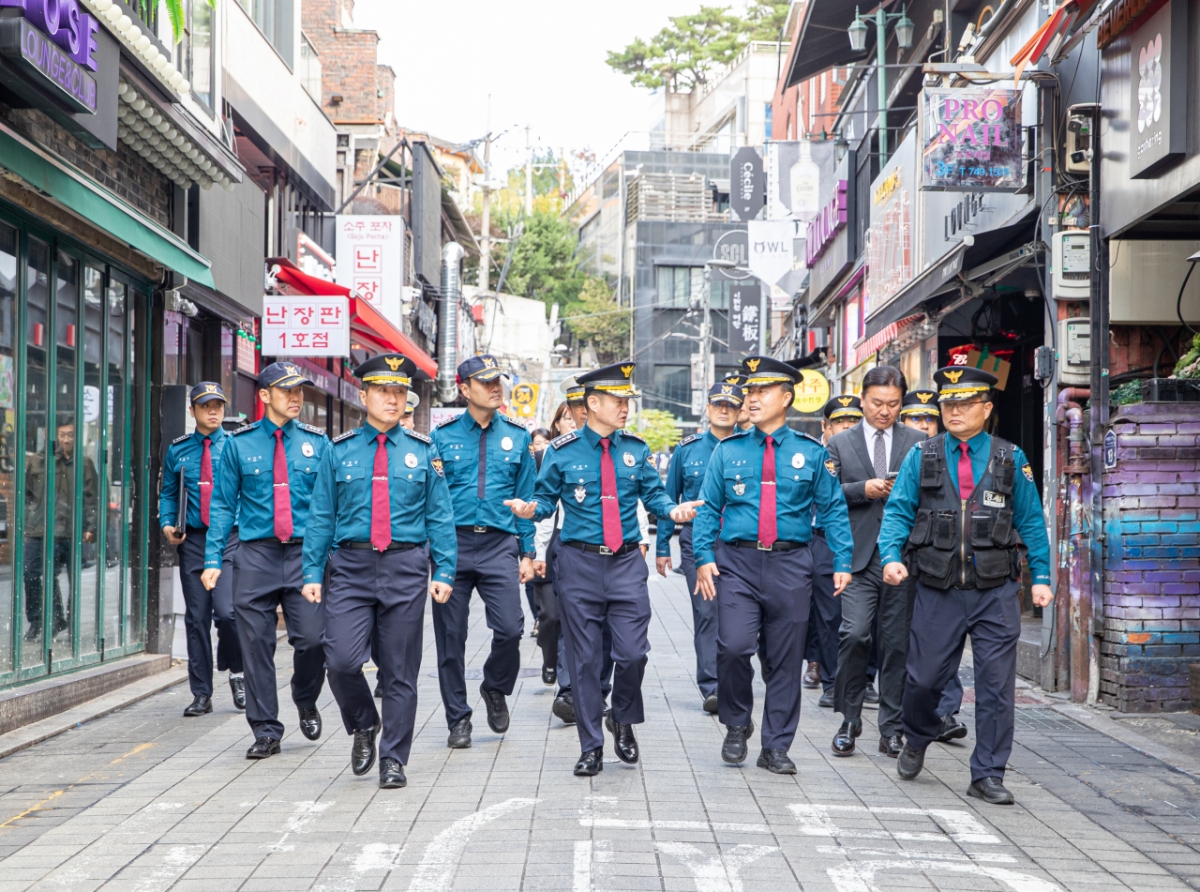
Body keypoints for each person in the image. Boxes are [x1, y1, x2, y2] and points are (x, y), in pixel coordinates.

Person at [880, 366, 1053, 805]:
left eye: (965, 403)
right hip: (938, 589)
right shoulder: (922, 455)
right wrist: (890, 557)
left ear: (987, 408)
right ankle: (917, 736)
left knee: (996, 686)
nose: (954, 410)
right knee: (923, 682)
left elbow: (1032, 521)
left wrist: (1042, 578)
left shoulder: (1011, 458)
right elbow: (898, 512)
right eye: (948, 403)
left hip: (995, 590)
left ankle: (988, 774)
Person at [507, 362, 684, 776]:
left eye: (627, 401)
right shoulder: (562, 450)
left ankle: (621, 716)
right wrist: (531, 510)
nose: (625, 408)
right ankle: (591, 746)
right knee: (584, 660)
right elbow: (546, 500)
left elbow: (655, 497)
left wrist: (674, 510)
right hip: (579, 563)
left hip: (625, 563)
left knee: (633, 653)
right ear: (593, 403)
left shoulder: (636, 450)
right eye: (618, 401)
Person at [691, 356, 853, 775]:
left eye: (762, 391)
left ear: (786, 397)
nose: (752, 398)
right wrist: (704, 558)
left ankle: (776, 746)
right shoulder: (729, 451)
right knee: (732, 647)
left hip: (791, 564)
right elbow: (709, 508)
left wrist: (842, 559)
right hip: (737, 562)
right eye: (750, 391)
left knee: (786, 658)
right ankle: (736, 721)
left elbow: (833, 508)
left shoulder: (811, 453)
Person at [301, 353, 456, 789]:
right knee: (341, 661)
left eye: (400, 392)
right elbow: (320, 515)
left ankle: (394, 760)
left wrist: (444, 570)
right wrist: (312, 571)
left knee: (399, 671)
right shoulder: (340, 450)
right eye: (384, 391)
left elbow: (440, 517)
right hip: (349, 566)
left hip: (406, 566)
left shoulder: (425, 452)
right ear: (363, 395)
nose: (393, 399)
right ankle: (364, 724)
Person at [203, 362, 329, 760]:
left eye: (300, 391)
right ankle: (266, 729)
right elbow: (222, 505)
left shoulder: (317, 443)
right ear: (264, 396)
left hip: (304, 554)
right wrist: (213, 559)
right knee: (255, 643)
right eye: (287, 390)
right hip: (255, 554)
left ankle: (305, 696)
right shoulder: (238, 445)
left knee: (312, 639)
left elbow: (330, 506)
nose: (296, 398)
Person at [430, 354, 536, 749]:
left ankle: (495, 686)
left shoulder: (518, 436)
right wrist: (437, 554)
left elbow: (526, 499)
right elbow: (433, 500)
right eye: (485, 382)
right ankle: (458, 718)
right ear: (463, 389)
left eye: (499, 382)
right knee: (450, 639)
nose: (496, 388)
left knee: (510, 629)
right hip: (452, 546)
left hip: (499, 546)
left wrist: (527, 551)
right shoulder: (441, 438)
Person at [826, 366, 925, 760]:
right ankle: (849, 719)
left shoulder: (918, 441)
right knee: (854, 634)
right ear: (862, 399)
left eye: (893, 404)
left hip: (900, 559)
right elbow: (826, 494)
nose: (885, 411)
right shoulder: (840, 443)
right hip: (856, 557)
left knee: (897, 645)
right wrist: (861, 490)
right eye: (877, 403)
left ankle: (892, 728)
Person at [655, 380, 745, 714]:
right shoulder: (688, 449)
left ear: (739, 412)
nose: (724, 410)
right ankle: (712, 686)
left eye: (731, 405)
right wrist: (663, 544)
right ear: (707, 408)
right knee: (707, 612)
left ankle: (734, 679)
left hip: (739, 542)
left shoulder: (749, 446)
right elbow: (669, 497)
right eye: (718, 404)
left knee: (737, 614)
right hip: (698, 539)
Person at [159, 382, 245, 717]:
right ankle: (201, 693)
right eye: (205, 406)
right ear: (192, 411)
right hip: (193, 541)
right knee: (196, 619)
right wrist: (168, 525)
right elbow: (168, 493)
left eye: (218, 406)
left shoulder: (236, 447)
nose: (213, 411)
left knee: (228, 613)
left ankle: (237, 672)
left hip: (230, 540)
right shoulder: (178, 450)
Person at [899, 388, 968, 744]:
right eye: (915, 418)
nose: (923, 424)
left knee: (944, 639)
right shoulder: (908, 453)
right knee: (911, 642)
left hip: (942, 565)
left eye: (928, 417)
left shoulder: (956, 453)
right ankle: (912, 713)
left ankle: (945, 712)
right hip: (903, 560)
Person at [803, 394, 864, 709]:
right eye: (841, 421)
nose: (848, 426)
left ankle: (856, 679)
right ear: (825, 426)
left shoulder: (865, 451)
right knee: (827, 614)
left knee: (851, 617)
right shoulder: (811, 452)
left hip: (861, 540)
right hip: (819, 538)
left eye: (854, 420)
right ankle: (829, 679)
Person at [24, 418, 98, 641]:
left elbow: (93, 498)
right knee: (32, 574)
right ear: (50, 435)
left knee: (73, 579)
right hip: (41, 530)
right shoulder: (38, 461)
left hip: (71, 531)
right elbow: (26, 495)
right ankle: (38, 621)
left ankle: (69, 622)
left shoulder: (84, 463)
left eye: (70, 435)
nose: (66, 439)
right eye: (62, 435)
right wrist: (27, 521)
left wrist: (90, 526)